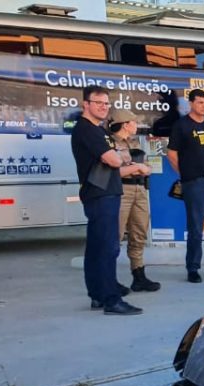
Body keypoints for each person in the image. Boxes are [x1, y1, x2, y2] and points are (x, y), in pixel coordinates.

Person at [71, 85, 141, 315]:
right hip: (100, 194)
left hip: (105, 192)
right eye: (98, 102)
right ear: (86, 104)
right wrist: (120, 157)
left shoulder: (98, 130)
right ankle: (112, 300)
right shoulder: (87, 129)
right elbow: (113, 159)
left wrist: (118, 157)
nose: (103, 107)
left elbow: (115, 158)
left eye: (106, 103)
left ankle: (98, 294)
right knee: (108, 247)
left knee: (97, 247)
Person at [167, 88, 204, 283]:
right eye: (200, 102)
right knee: (195, 227)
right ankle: (193, 268)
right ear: (191, 103)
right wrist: (186, 175)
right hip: (195, 183)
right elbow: (172, 154)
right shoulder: (181, 125)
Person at [107, 109, 161, 292]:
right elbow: (115, 171)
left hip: (140, 189)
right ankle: (109, 280)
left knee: (139, 233)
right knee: (115, 235)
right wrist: (136, 167)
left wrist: (136, 167)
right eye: (133, 121)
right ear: (124, 124)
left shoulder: (136, 142)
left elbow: (148, 168)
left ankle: (139, 276)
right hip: (121, 190)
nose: (136, 125)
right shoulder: (110, 143)